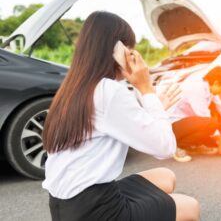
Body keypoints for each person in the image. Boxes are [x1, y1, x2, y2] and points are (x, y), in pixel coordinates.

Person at [42, 11, 199, 221]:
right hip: (94, 211)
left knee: (166, 177)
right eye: (129, 49)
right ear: (116, 50)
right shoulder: (109, 91)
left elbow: (121, 125)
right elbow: (165, 147)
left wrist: (155, 106)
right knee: (189, 207)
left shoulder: (75, 88)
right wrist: (146, 89)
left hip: (66, 206)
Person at [168, 66, 221, 162]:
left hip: (185, 124)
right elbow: (204, 117)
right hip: (171, 127)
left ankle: (191, 146)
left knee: (211, 129)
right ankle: (177, 147)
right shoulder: (196, 88)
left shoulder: (209, 88)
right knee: (211, 124)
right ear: (216, 83)